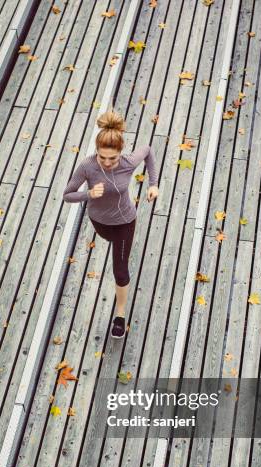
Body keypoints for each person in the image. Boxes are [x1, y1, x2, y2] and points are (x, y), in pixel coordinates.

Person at [63, 107, 159, 338]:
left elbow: (147, 150)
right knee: (113, 247)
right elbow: (67, 195)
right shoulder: (87, 166)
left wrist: (153, 184)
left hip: (125, 221)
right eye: (101, 157)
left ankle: (120, 313)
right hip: (99, 222)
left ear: (120, 153)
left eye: (112, 158)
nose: (106, 162)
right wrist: (88, 194)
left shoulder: (128, 162)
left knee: (120, 268)